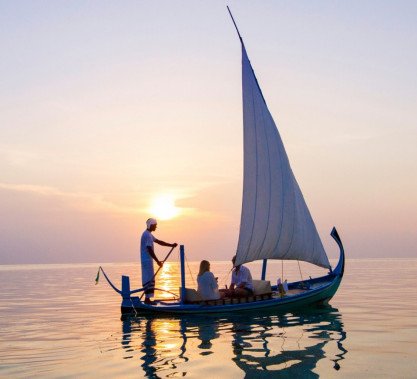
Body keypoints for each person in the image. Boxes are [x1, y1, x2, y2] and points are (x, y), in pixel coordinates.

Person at [140, 218, 177, 304]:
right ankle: (147, 300)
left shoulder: (148, 234)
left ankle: (147, 299)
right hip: (146, 261)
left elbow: (159, 242)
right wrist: (157, 261)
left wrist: (171, 245)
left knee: (150, 279)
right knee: (148, 278)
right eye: (155, 225)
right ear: (151, 225)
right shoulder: (147, 235)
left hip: (148, 261)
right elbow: (149, 249)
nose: (156, 227)